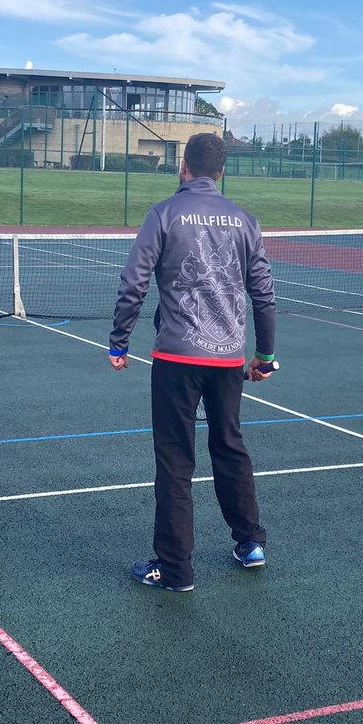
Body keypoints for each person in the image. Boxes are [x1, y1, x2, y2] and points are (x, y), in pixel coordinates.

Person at [109, 132, 276, 592]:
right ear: (221, 171)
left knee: (176, 461)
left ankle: (176, 570)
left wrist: (118, 342)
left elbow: (133, 283)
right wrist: (265, 355)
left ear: (184, 166)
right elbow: (263, 293)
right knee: (230, 445)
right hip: (227, 360)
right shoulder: (245, 220)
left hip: (176, 358)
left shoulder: (163, 213)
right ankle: (250, 543)